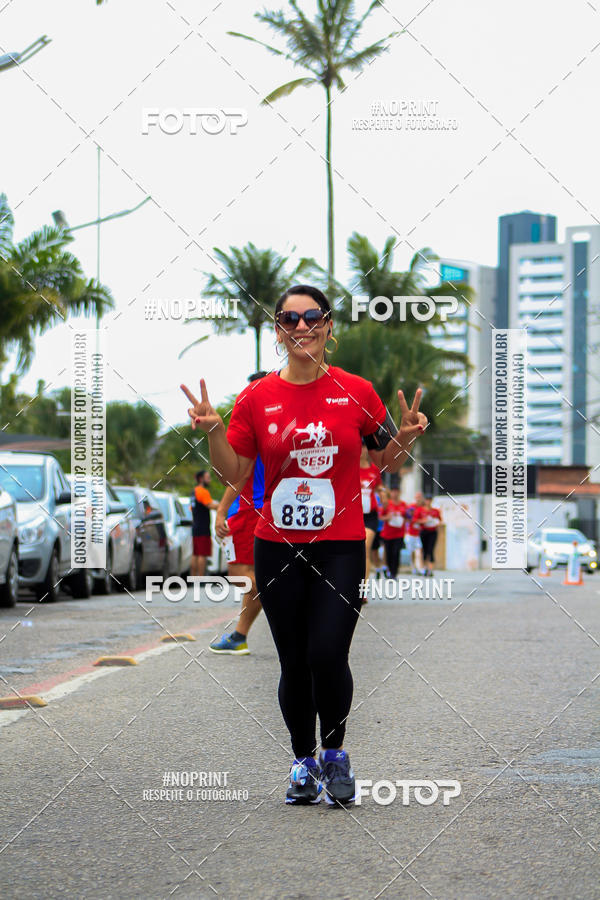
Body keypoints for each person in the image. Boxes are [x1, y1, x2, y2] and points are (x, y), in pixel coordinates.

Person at [181, 284, 427, 806]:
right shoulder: (256, 398)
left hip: (340, 546)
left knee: (328, 652)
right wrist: (213, 432)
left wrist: (405, 435)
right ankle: (302, 763)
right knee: (294, 661)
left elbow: (386, 462)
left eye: (312, 317)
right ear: (278, 329)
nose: (301, 327)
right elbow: (239, 473)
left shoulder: (358, 392)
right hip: (277, 548)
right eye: (289, 319)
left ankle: (335, 755)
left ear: (329, 326)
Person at [210, 374, 266, 655]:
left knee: (242, 576)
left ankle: (288, 600)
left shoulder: (260, 428)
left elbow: (239, 475)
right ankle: (240, 636)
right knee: (251, 577)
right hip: (257, 508)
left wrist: (220, 511)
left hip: (251, 509)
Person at [359, 443, 384, 587]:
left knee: (365, 547)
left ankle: (363, 588)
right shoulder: (350, 468)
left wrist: (383, 493)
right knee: (354, 551)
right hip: (353, 515)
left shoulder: (374, 470)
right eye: (359, 446)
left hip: (370, 516)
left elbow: (379, 486)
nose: (362, 450)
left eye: (364, 447)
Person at [190, 470, 218, 577]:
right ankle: (200, 578)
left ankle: (193, 577)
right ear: (201, 479)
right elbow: (210, 505)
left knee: (195, 554)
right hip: (203, 528)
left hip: (195, 526)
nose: (209, 479)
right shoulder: (202, 491)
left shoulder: (193, 492)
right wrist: (222, 506)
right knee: (202, 554)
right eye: (207, 477)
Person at [380, 487, 407, 578]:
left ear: (399, 492)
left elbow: (408, 517)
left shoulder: (403, 504)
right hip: (388, 534)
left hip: (399, 533)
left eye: (396, 491)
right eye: (393, 491)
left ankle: (394, 573)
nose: (395, 494)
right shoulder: (387, 504)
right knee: (388, 553)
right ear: (391, 493)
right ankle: (388, 569)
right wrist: (387, 517)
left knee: (396, 552)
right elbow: (380, 517)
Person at [404, 491, 427, 576]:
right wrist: (418, 520)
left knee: (419, 550)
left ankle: (420, 568)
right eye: (417, 497)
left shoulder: (422, 508)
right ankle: (413, 567)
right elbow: (408, 519)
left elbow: (425, 519)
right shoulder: (411, 507)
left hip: (418, 534)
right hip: (410, 533)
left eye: (420, 497)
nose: (418, 499)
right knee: (412, 552)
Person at [420, 494, 442, 576]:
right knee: (424, 550)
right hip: (424, 531)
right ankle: (425, 568)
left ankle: (430, 569)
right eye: (427, 500)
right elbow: (415, 520)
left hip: (432, 532)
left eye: (429, 500)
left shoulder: (435, 511)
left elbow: (440, 521)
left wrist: (435, 522)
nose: (428, 501)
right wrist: (424, 521)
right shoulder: (421, 510)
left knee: (431, 549)